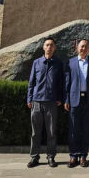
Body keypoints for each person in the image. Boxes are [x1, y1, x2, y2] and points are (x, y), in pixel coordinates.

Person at [27, 37, 64, 168]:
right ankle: (34, 157)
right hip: (36, 101)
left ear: (55, 48)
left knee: (51, 132)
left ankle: (51, 156)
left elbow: (61, 83)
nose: (49, 47)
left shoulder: (58, 63)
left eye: (51, 45)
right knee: (35, 132)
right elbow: (31, 82)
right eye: (47, 45)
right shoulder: (37, 63)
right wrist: (29, 98)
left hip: (51, 102)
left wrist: (60, 98)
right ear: (43, 47)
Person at [64, 39, 89, 168]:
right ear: (77, 48)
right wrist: (67, 99)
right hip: (74, 100)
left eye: (86, 47)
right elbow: (67, 83)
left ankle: (83, 156)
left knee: (86, 129)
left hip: (88, 100)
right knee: (73, 129)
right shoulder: (70, 62)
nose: (83, 49)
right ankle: (73, 155)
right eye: (81, 46)